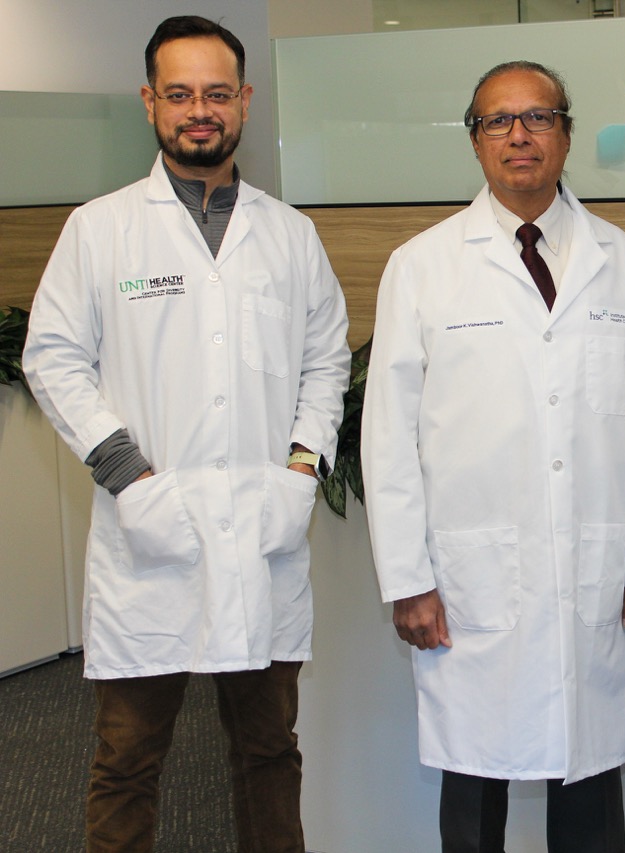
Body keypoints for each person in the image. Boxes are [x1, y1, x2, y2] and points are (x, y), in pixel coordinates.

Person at [21, 15, 350, 853]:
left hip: (262, 529)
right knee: (128, 757)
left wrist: (300, 470)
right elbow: (53, 357)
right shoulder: (101, 229)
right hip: (150, 534)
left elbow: (325, 362)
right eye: (179, 94)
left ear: (244, 100)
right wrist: (130, 475)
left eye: (215, 93)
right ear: (150, 103)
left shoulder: (290, 235)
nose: (199, 110)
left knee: (269, 749)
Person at [361, 60, 625, 853]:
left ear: (566, 133)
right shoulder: (423, 266)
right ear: (475, 141)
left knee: (590, 775)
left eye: (538, 117)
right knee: (475, 779)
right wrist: (408, 578)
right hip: (471, 580)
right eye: (498, 120)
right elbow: (388, 436)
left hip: (592, 570)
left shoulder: (624, 263)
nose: (519, 135)